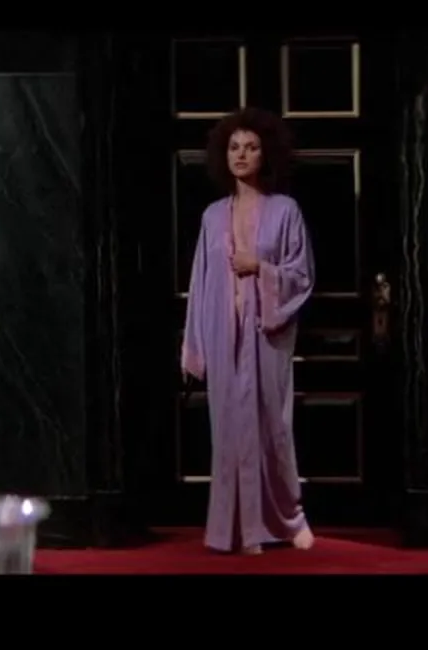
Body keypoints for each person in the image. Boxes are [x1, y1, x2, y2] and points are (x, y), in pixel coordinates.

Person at [180, 106, 316, 555]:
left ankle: (287, 520)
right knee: (228, 432)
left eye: (251, 147)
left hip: (266, 335)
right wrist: (195, 346)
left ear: (266, 153)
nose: (241, 154)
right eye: (234, 147)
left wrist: (260, 267)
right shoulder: (212, 216)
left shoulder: (285, 211)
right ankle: (235, 530)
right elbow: (200, 283)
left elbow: (301, 275)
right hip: (224, 337)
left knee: (273, 426)